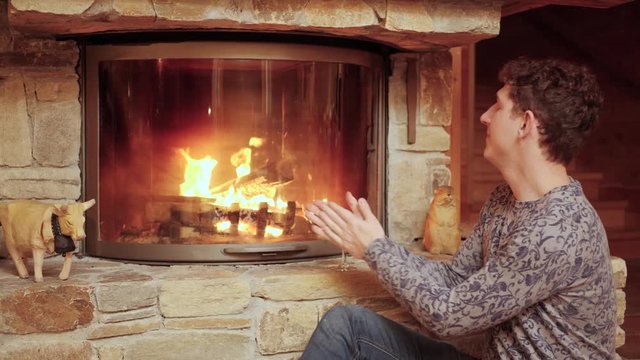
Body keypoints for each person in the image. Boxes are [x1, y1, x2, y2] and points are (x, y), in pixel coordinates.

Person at [301, 57, 616, 359]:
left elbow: (449, 316)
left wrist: (374, 250)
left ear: (525, 124)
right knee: (347, 328)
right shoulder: (505, 199)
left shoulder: (556, 230)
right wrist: (375, 243)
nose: (485, 116)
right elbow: (453, 279)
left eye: (498, 106)